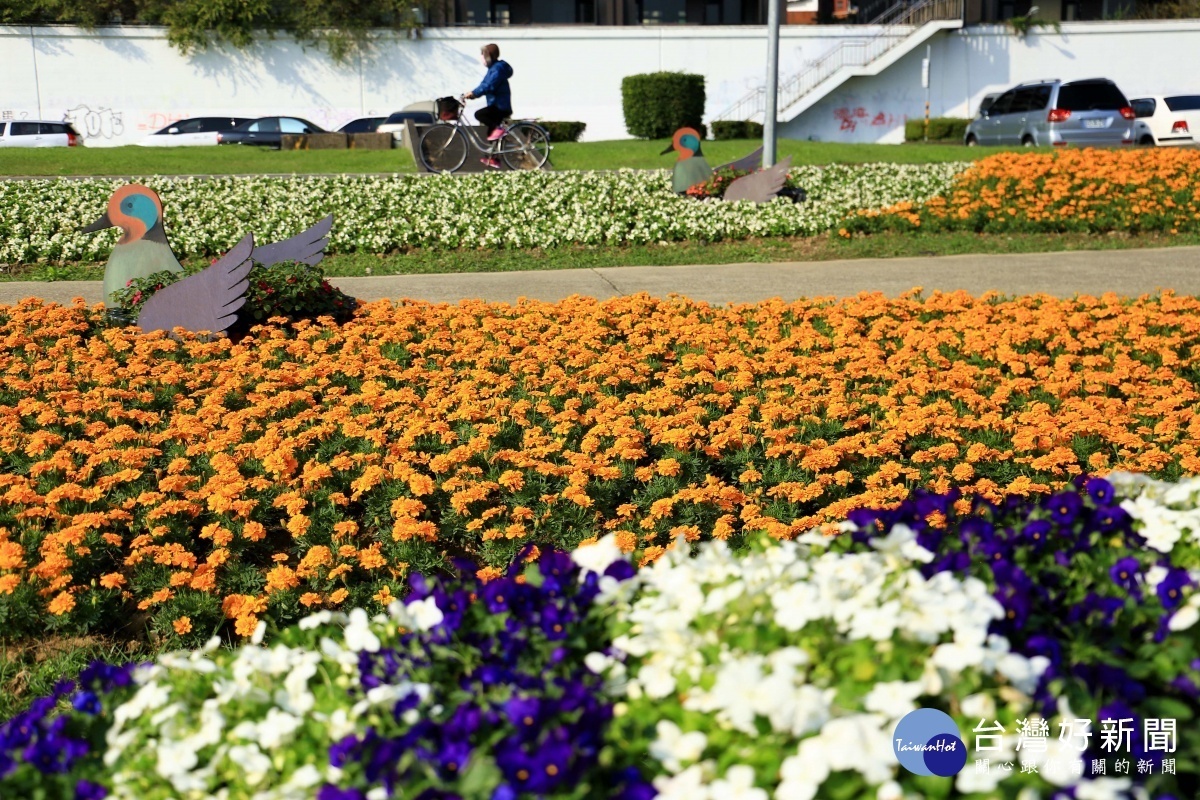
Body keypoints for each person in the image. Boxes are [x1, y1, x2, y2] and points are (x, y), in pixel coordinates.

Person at [464, 43, 513, 169]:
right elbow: (484, 84)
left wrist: (474, 93)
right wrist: (472, 93)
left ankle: (499, 129)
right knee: (491, 134)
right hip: (496, 105)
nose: (482, 57)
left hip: (500, 106)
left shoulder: (497, 69)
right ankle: (494, 159)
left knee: (479, 114)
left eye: (484, 55)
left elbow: (489, 85)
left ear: (490, 56)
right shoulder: (493, 69)